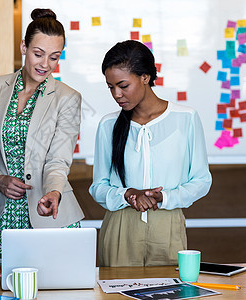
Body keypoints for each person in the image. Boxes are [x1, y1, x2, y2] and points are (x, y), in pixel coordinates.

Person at [0, 8, 85, 268]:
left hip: (47, 210)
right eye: (38, 54)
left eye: (54, 57)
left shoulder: (67, 98)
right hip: (0, 212)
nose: (45, 64)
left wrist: (54, 191)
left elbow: (58, 158)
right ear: (23, 47)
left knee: (54, 286)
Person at [89, 40, 212, 267]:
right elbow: (98, 187)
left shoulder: (186, 118)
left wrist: (165, 198)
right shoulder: (108, 125)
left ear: (145, 77)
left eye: (123, 85)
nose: (116, 94)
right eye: (110, 87)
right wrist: (127, 194)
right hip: (120, 229)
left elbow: (201, 180)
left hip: (168, 226)